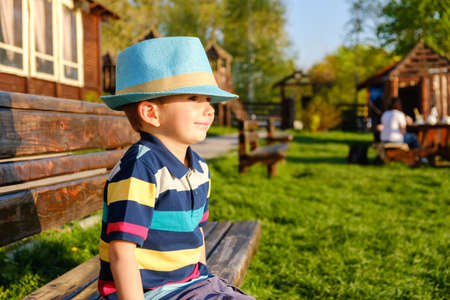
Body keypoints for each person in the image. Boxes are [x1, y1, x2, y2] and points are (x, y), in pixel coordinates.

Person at [98, 37, 255, 300]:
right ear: (151, 113)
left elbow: (198, 233)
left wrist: (204, 279)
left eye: (208, 99)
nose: (209, 109)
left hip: (191, 281)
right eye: (194, 98)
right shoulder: (141, 169)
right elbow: (121, 252)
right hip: (150, 291)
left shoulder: (200, 168)